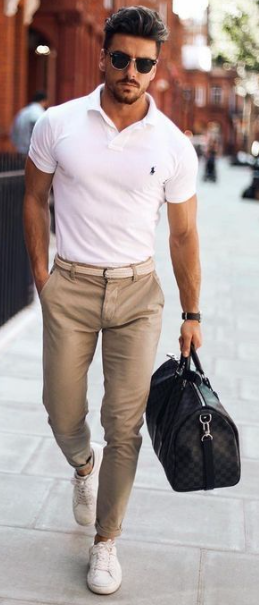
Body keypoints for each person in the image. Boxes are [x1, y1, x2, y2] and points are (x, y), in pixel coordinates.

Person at [23, 6, 202, 596]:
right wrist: (42, 279)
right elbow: (33, 197)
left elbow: (182, 234)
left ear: (156, 68)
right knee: (60, 408)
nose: (132, 71)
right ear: (103, 56)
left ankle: (106, 542)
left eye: (144, 63)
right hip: (69, 287)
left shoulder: (174, 146)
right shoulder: (59, 124)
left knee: (124, 424)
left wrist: (191, 314)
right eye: (121, 58)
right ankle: (81, 466)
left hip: (137, 294)